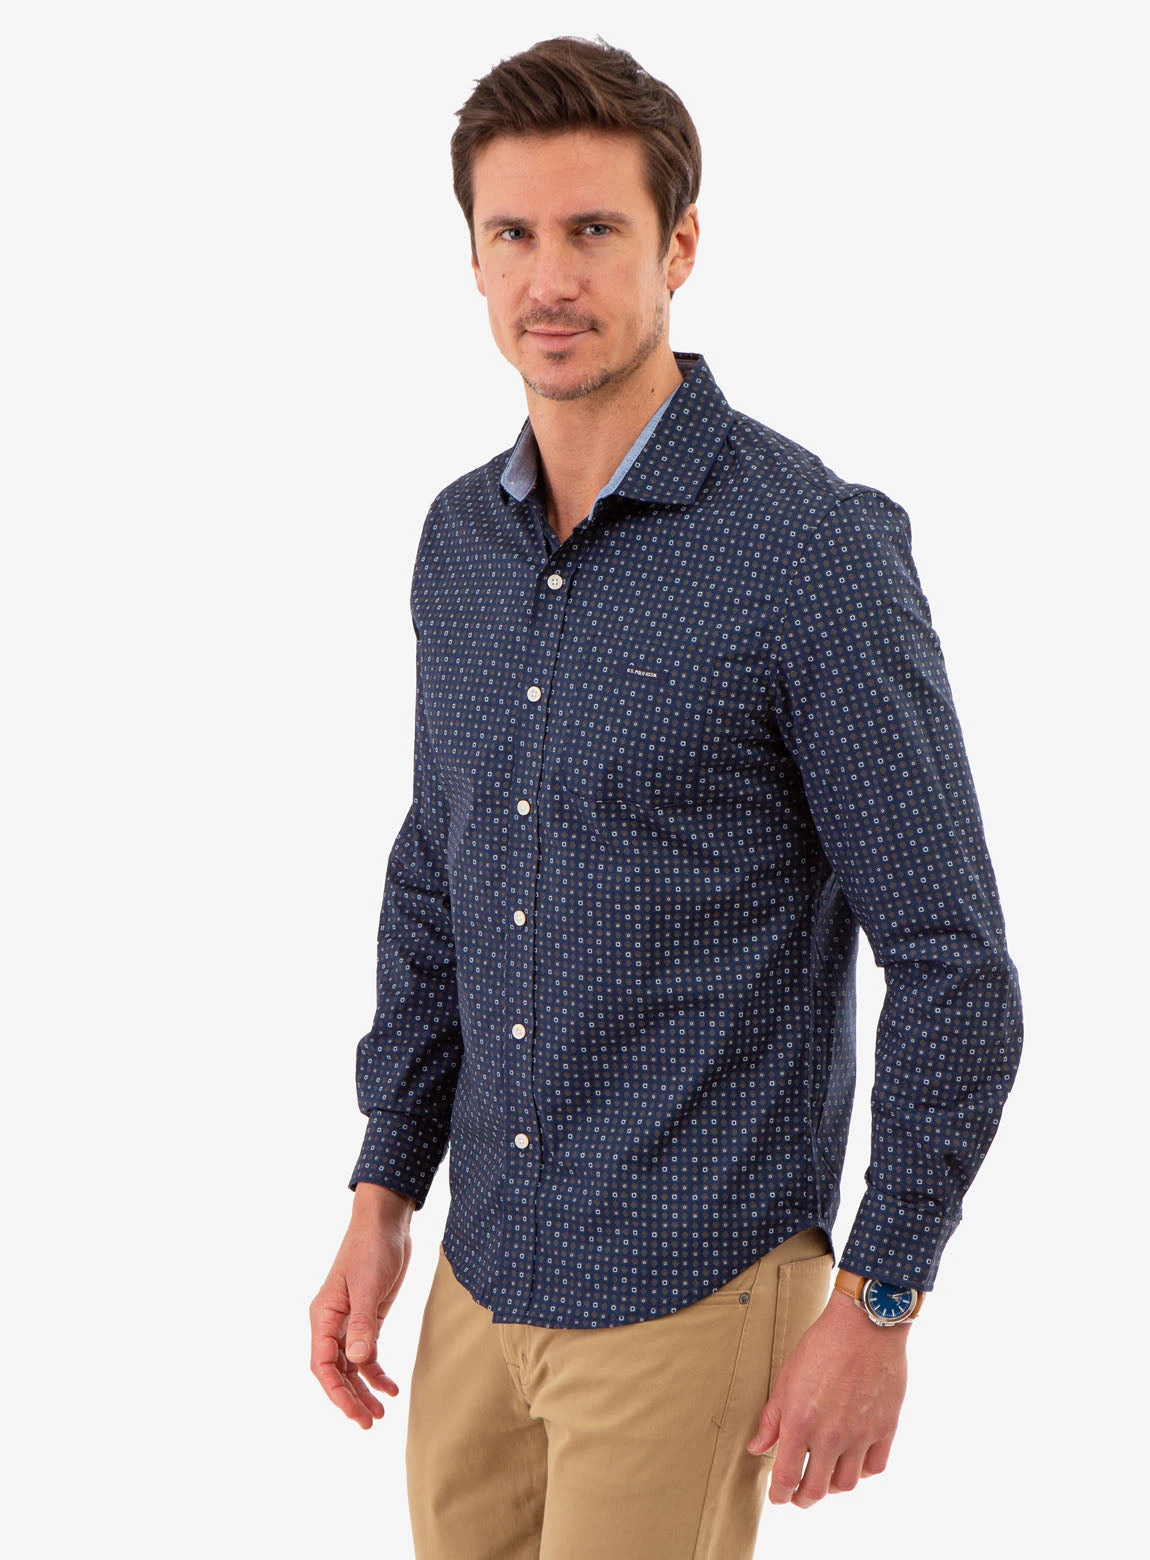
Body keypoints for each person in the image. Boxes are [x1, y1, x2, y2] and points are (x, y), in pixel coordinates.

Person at [309, 35, 1023, 1560]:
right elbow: (439, 875)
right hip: (482, 1279)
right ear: (473, 258)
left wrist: (881, 1300)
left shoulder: (808, 549)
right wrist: (385, 1187)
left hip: (691, 1281)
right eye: (513, 233)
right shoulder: (459, 544)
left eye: (595, 229)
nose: (549, 278)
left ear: (679, 246)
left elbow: (953, 959)